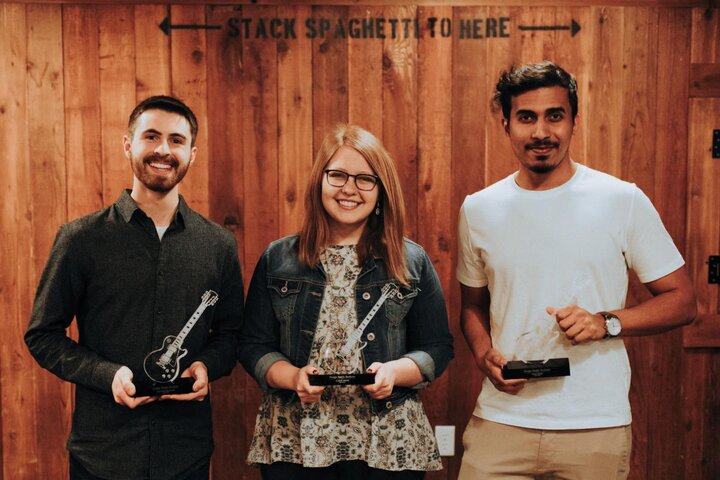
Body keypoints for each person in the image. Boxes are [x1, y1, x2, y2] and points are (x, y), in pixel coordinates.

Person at [456, 61, 696, 479]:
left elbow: (683, 301)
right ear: (506, 124)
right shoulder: (479, 208)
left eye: (555, 116)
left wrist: (607, 323)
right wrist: (482, 355)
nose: (541, 132)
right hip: (501, 421)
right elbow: (472, 306)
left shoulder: (622, 200)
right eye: (526, 117)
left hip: (594, 425)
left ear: (574, 121)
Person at [25, 95, 244, 480]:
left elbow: (230, 334)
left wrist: (206, 366)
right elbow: (43, 335)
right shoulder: (80, 239)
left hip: (186, 453)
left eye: (177, 140)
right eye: (151, 136)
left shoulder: (218, 245)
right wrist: (106, 374)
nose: (163, 149)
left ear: (192, 153)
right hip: (102, 454)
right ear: (128, 144)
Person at [238, 123, 453, 480]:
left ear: (381, 191)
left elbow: (437, 347)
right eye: (338, 175)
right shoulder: (278, 259)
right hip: (297, 439)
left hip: (389, 440)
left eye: (365, 179)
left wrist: (393, 372)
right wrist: (293, 377)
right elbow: (253, 345)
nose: (349, 189)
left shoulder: (411, 261)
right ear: (320, 181)